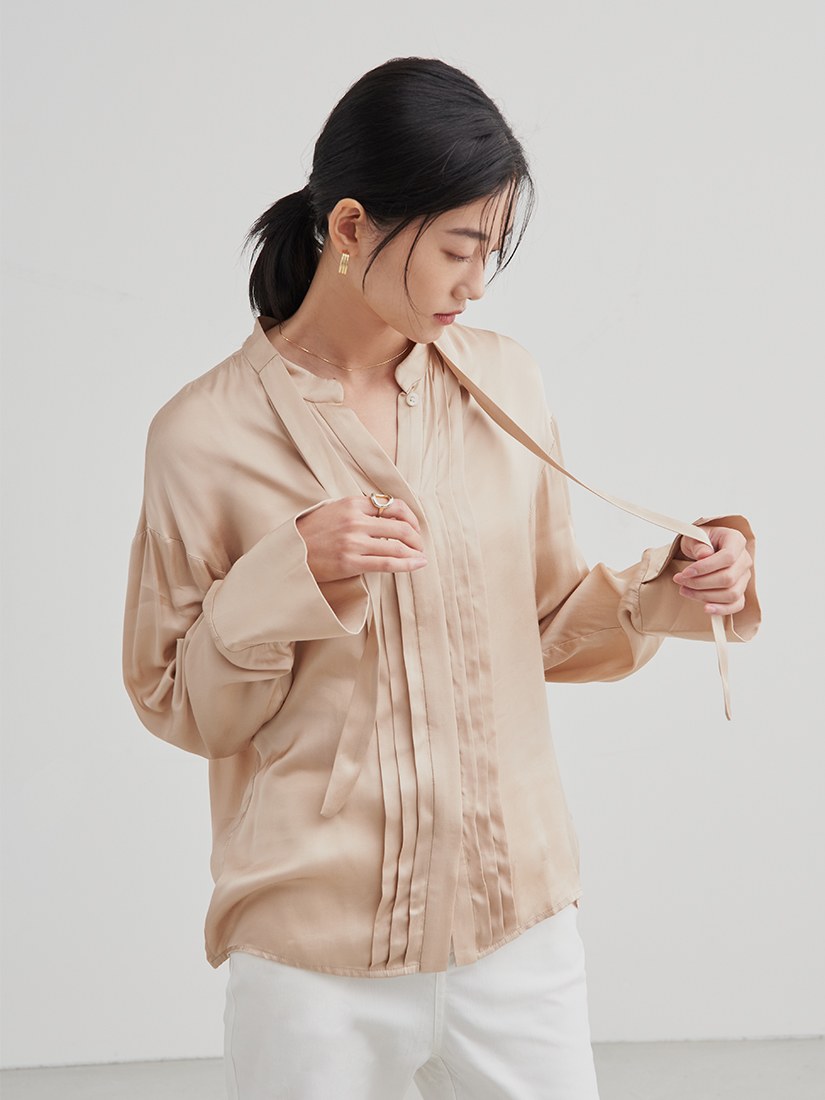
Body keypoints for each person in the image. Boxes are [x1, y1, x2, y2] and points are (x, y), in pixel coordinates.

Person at [121, 56, 760, 1100]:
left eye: (490, 251)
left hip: (517, 929)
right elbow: (180, 703)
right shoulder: (201, 436)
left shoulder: (506, 381)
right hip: (311, 959)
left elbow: (547, 620)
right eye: (458, 248)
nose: (476, 283)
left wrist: (673, 584)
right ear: (350, 227)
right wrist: (289, 573)